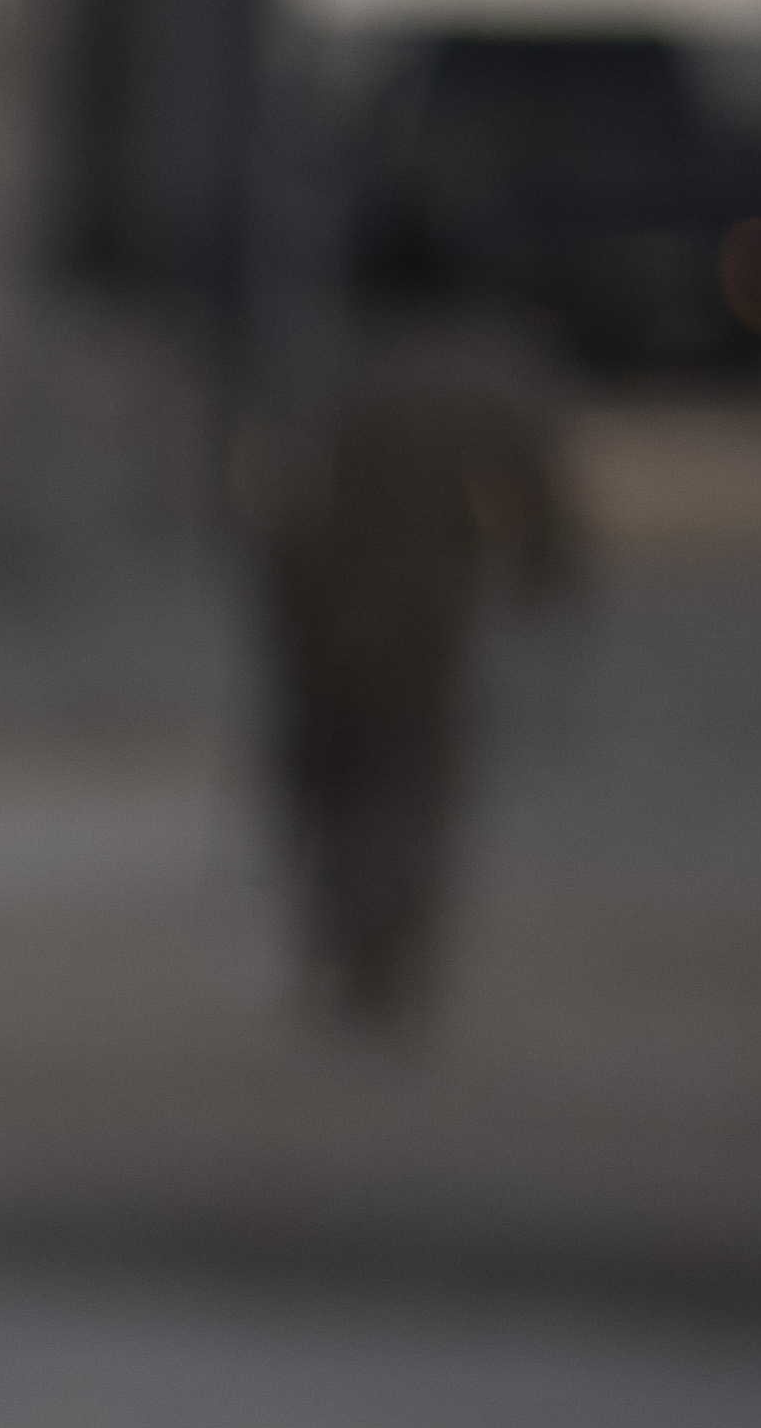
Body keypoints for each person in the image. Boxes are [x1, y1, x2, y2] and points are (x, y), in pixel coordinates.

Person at [236, 289, 584, 1041]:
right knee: (409, 786)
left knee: (335, 785)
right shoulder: (482, 384)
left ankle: (349, 950)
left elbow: (277, 502)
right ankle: (388, 956)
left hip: (323, 613)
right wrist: (546, 582)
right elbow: (541, 505)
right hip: (421, 620)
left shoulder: (335, 371)